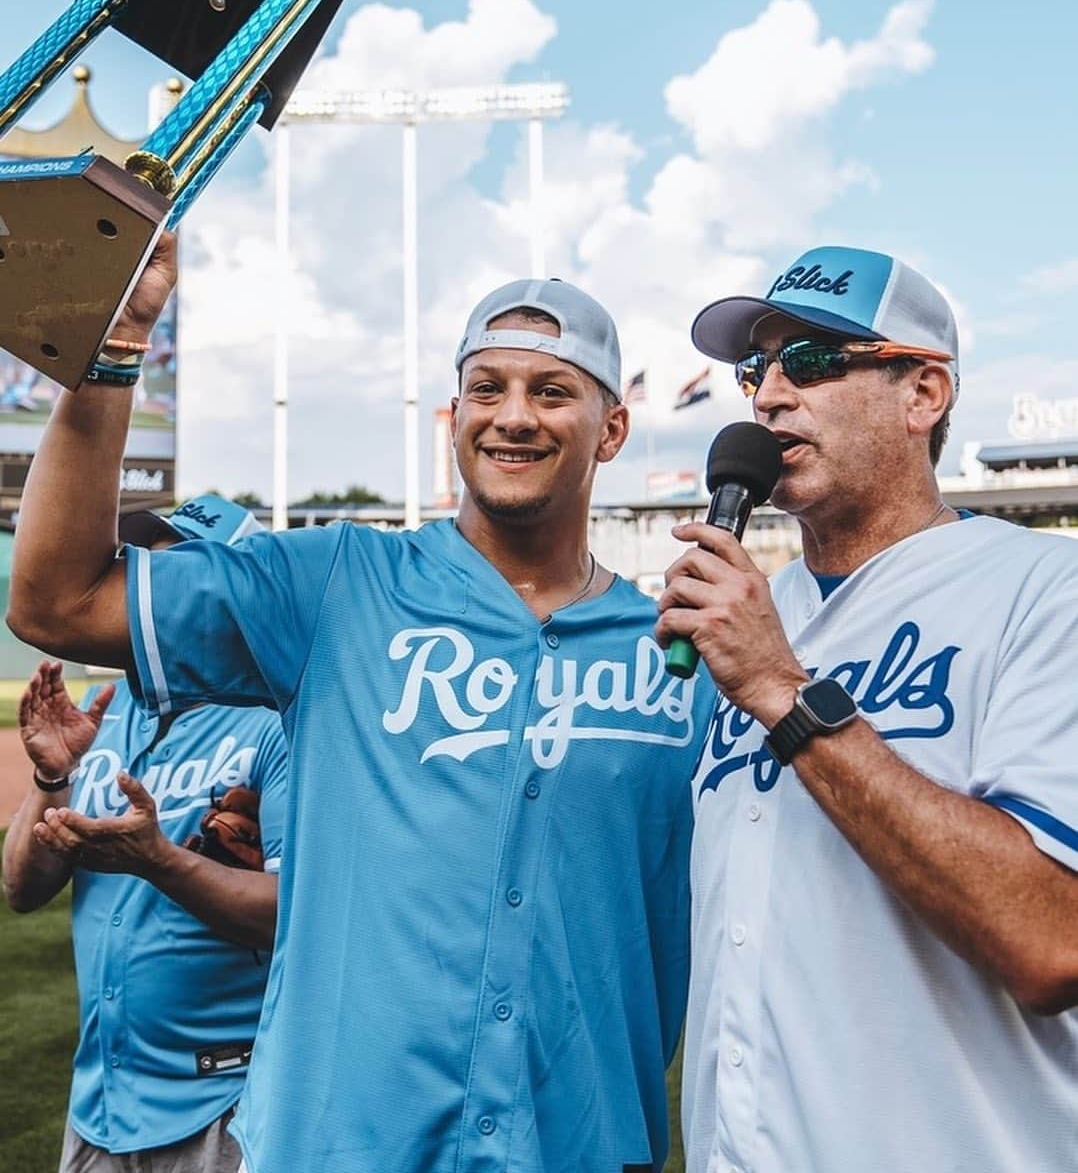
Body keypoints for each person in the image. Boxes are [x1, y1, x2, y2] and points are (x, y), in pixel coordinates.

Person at [7, 232, 718, 1173]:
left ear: (613, 429)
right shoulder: (337, 580)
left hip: (580, 1145)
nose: (513, 417)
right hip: (339, 1147)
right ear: (451, 413)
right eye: (487, 388)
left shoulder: (682, 656)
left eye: (551, 392)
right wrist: (114, 354)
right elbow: (54, 601)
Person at [656, 246, 1078, 1173]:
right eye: (754, 368)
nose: (767, 396)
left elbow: (1052, 939)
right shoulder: (755, 617)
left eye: (808, 361)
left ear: (922, 393)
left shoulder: (1046, 591)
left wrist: (783, 695)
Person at [3, 494, 287, 1173]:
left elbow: (295, 918)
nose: (142, 594)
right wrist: (51, 780)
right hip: (102, 1102)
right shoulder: (112, 710)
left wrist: (159, 861)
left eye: (172, 575)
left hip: (229, 1106)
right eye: (139, 574)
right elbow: (20, 888)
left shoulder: (279, 720)